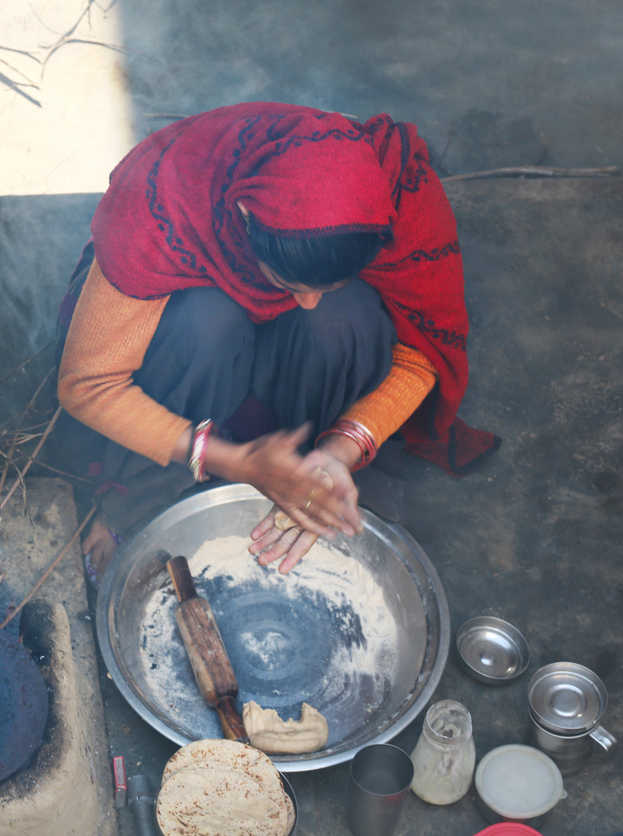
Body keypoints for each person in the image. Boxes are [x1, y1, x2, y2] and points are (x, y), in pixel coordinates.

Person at [52, 102, 496, 584]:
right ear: (244, 216)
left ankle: (310, 475)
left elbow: (422, 353)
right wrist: (234, 462)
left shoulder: (400, 194)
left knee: (342, 316)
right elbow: (88, 386)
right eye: (288, 283)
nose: (304, 302)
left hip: (301, 373)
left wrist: (341, 451)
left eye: (322, 285)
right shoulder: (161, 205)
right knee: (207, 321)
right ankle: (138, 497)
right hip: (202, 358)